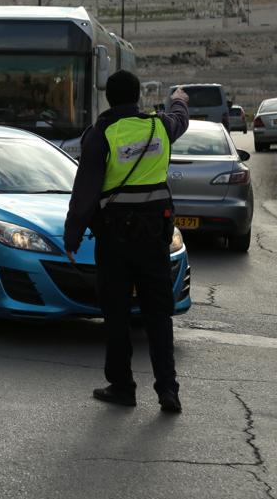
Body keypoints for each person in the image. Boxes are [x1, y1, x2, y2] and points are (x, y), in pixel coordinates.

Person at [64, 71, 190, 413]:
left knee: (117, 314)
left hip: (115, 239)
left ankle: (122, 387)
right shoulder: (159, 127)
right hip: (154, 236)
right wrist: (178, 97)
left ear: (109, 99)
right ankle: (168, 390)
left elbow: (85, 192)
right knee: (158, 315)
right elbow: (180, 118)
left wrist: (71, 237)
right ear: (137, 98)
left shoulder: (101, 134)